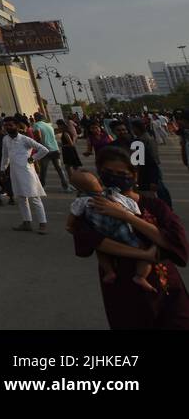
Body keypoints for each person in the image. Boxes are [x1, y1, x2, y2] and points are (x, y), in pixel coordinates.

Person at [71, 145, 189, 329]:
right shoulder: (93, 205)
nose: (114, 176)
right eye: (108, 172)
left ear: (134, 175)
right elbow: (93, 241)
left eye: (121, 172)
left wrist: (126, 216)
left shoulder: (154, 205)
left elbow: (175, 241)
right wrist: (144, 254)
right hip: (121, 284)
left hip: (163, 283)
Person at [68, 169, 156, 293]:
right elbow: (130, 206)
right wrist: (134, 214)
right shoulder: (112, 194)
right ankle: (140, 276)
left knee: (101, 252)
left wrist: (70, 227)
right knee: (143, 249)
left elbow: (72, 217)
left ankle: (109, 272)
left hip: (103, 235)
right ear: (99, 181)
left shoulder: (81, 201)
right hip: (122, 230)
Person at [2, 116, 51, 233]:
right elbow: (5, 156)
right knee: (21, 198)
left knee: (34, 198)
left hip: (27, 172)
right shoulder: (5, 139)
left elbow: (44, 150)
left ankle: (42, 224)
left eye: (11, 125)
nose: (8, 127)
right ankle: (26, 222)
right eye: (6, 125)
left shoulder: (25, 139)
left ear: (17, 126)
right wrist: (2, 169)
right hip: (14, 172)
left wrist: (32, 159)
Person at [130, 120, 172, 207]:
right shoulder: (149, 137)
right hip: (153, 167)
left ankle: (165, 207)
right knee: (160, 189)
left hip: (149, 168)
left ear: (136, 128)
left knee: (157, 190)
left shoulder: (140, 140)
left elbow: (142, 160)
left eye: (133, 128)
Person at [32, 112, 71, 192]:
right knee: (59, 169)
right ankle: (66, 187)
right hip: (55, 149)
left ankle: (41, 187)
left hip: (45, 150)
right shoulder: (48, 125)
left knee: (43, 170)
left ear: (35, 118)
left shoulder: (36, 125)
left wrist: (37, 146)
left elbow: (38, 137)